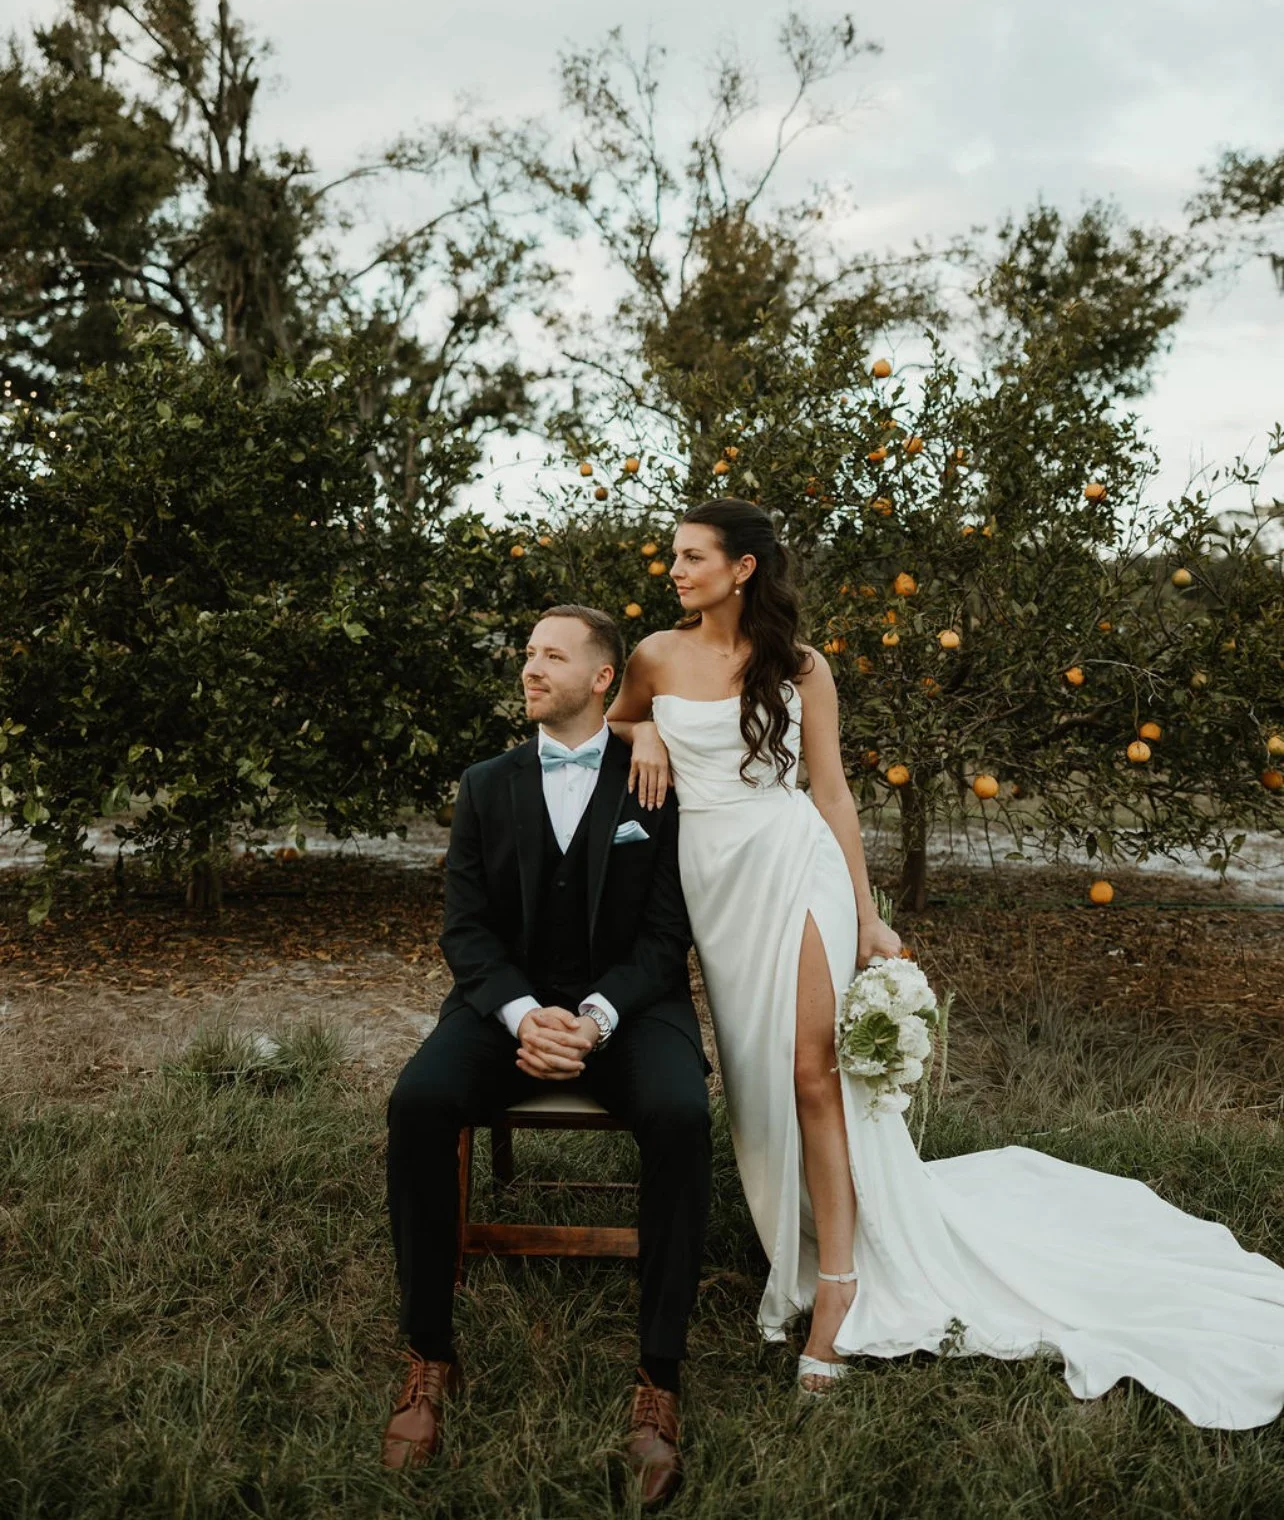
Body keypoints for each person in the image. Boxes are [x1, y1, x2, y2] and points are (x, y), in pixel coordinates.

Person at [607, 497, 1284, 1424]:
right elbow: (603, 727)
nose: (675, 571)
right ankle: (806, 1239)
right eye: (675, 557)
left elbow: (836, 796)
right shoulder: (654, 654)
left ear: (744, 568)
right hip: (713, 888)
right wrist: (640, 729)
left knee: (814, 1075)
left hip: (792, 865)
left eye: (692, 557)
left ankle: (838, 1290)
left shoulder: (801, 668)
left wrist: (868, 914)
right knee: (759, 1082)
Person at [382, 604, 710, 1506]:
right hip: (506, 1011)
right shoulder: (486, 783)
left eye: (551, 656)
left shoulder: (658, 782)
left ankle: (658, 1379)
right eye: (528, 654)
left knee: (683, 1114)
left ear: (604, 679)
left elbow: (665, 932)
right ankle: (428, 1355)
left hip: (631, 1011)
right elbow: (466, 927)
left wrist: (597, 1017)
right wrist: (525, 1015)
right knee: (417, 1103)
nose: (530, 669)